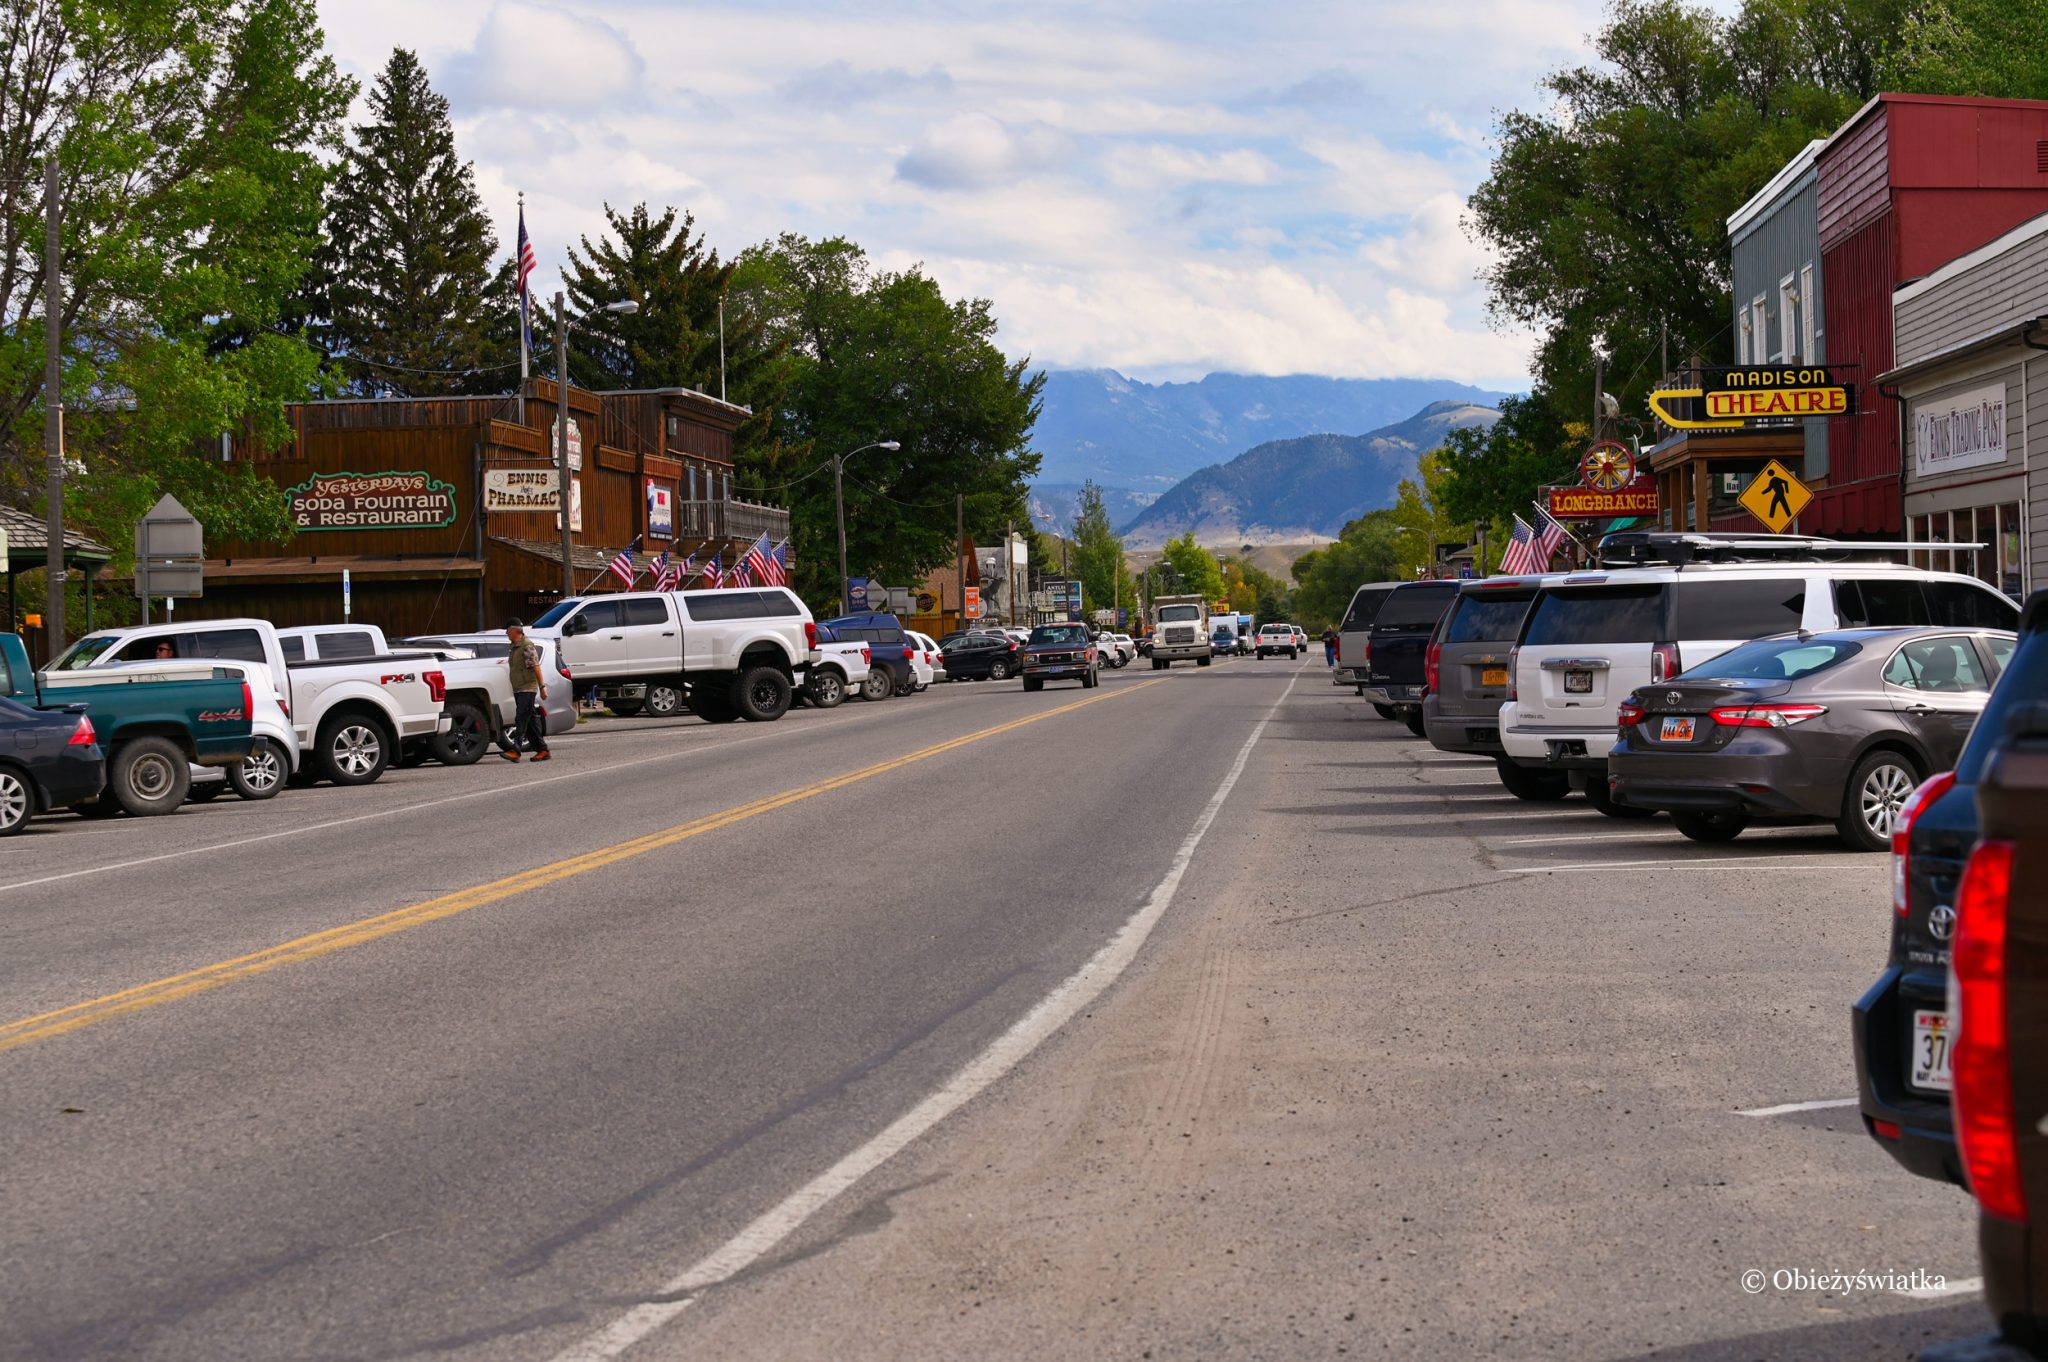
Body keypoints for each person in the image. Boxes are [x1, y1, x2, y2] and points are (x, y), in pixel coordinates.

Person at [500, 620, 551, 763]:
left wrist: (542, 687)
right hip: (519, 688)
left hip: (527, 688)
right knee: (530, 722)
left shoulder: (526, 646)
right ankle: (543, 750)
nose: (506, 633)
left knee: (521, 718)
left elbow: (536, 667)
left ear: (515, 630)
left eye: (507, 630)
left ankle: (516, 750)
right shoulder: (515, 647)